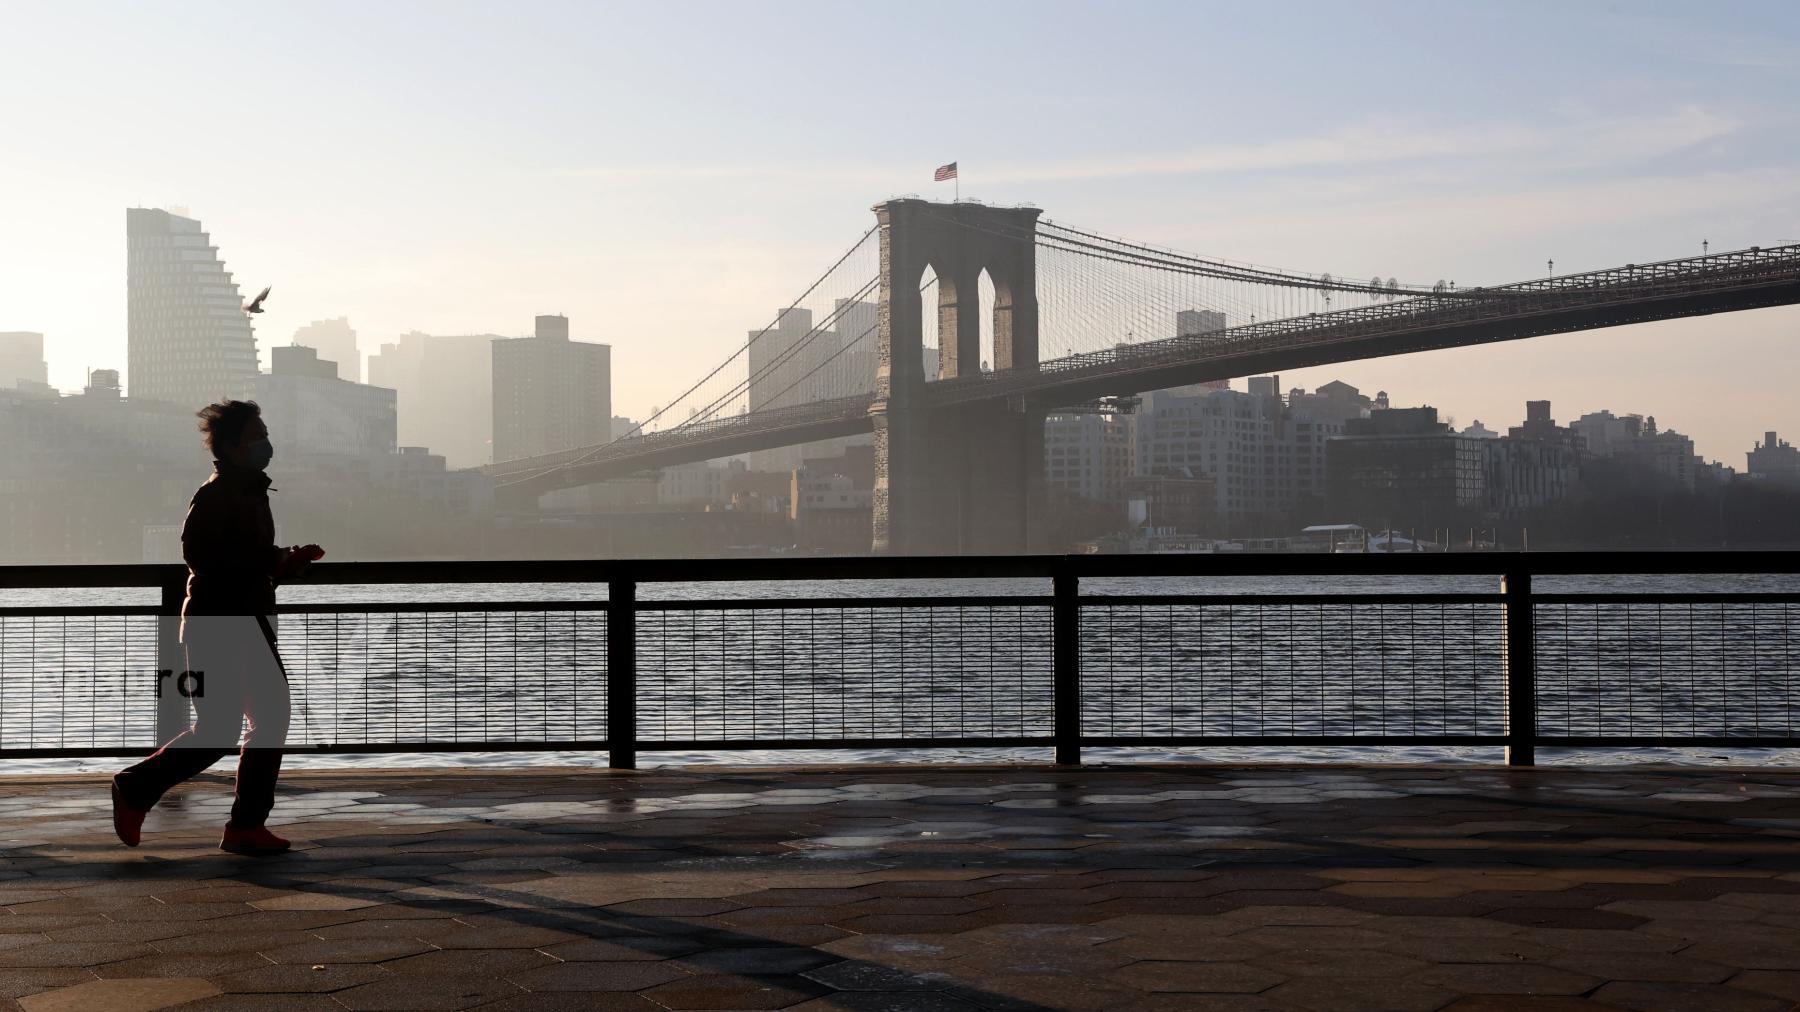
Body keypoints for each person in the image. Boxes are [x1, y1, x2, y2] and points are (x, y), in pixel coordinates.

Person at [111, 400, 324, 856]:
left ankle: (153, 792)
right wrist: (273, 560)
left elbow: (237, 558)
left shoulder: (246, 491)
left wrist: (282, 562)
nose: (267, 442)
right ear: (232, 445)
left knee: (228, 726)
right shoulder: (219, 493)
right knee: (261, 719)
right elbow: (202, 556)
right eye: (258, 434)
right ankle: (234, 821)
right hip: (226, 624)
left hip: (233, 621)